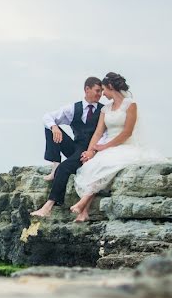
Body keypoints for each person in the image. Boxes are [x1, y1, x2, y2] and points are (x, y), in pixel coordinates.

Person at [68, 72, 162, 222]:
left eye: (104, 89)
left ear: (110, 87)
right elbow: (98, 133)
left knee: (105, 164)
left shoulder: (130, 105)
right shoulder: (105, 109)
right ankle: (83, 211)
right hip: (107, 147)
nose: (103, 94)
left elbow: (127, 132)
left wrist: (105, 147)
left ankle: (83, 204)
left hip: (125, 145)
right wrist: (90, 151)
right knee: (91, 165)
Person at [30, 77, 106, 218]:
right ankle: (54, 166)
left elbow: (105, 135)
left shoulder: (103, 111)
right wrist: (54, 127)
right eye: (97, 90)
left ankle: (48, 206)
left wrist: (93, 152)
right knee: (50, 127)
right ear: (87, 89)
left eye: (101, 91)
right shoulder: (73, 108)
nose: (99, 94)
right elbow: (47, 116)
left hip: (89, 151)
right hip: (75, 147)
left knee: (64, 168)